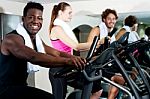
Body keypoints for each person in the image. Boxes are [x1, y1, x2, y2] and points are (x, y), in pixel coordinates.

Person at [0, 2, 86, 99]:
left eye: (39, 18)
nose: (35, 21)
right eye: (31, 17)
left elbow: (56, 53)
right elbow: (34, 57)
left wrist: (77, 58)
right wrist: (68, 61)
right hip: (5, 90)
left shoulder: (36, 40)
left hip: (20, 86)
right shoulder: (11, 39)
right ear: (23, 19)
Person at [49, 2, 104, 99]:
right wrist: (97, 42)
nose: (71, 15)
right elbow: (76, 46)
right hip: (58, 69)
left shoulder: (64, 28)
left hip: (68, 67)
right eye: (69, 13)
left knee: (97, 89)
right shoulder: (56, 29)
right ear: (61, 13)